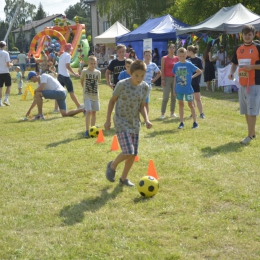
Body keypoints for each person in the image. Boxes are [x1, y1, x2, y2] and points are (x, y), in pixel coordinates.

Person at [104, 60, 152, 187]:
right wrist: (108, 119)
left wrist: (146, 119)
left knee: (133, 154)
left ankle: (123, 178)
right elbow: (112, 101)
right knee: (128, 150)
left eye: (142, 76)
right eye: (137, 75)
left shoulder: (145, 87)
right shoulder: (122, 84)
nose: (139, 78)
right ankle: (113, 165)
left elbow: (142, 106)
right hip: (121, 121)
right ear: (131, 73)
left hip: (135, 123)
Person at [228, 24, 260, 144]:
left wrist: (252, 67)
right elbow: (234, 64)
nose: (247, 37)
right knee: (246, 110)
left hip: (254, 83)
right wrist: (232, 73)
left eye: (249, 34)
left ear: (253, 35)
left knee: (252, 111)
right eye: (245, 35)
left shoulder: (258, 47)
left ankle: (249, 137)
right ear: (242, 35)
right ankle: (252, 133)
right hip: (242, 84)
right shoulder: (238, 48)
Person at [173, 47, 202, 129]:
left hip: (188, 89)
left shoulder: (189, 64)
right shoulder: (176, 65)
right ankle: (181, 122)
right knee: (181, 104)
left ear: (186, 55)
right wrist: (174, 89)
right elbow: (175, 77)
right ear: (178, 56)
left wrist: (191, 77)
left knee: (191, 105)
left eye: (183, 56)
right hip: (179, 89)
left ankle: (195, 122)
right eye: (180, 56)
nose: (182, 58)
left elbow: (199, 71)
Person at [80, 56, 101, 138]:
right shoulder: (84, 71)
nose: (93, 65)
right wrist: (85, 89)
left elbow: (97, 82)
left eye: (94, 63)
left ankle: (93, 129)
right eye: (91, 63)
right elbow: (82, 80)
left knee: (94, 113)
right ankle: (87, 130)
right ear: (88, 63)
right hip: (87, 95)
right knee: (88, 111)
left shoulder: (98, 73)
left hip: (95, 96)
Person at [58, 43, 83, 109]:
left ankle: (56, 108)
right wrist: (74, 74)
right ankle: (78, 106)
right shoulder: (68, 55)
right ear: (69, 49)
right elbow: (67, 66)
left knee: (58, 92)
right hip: (65, 76)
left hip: (60, 76)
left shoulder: (61, 55)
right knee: (71, 92)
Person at [160, 43, 179, 119]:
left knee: (174, 96)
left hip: (175, 79)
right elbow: (162, 69)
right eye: (170, 47)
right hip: (167, 79)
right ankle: (162, 114)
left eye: (173, 47)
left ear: (175, 49)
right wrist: (162, 79)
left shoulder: (177, 58)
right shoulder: (164, 58)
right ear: (168, 49)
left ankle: (172, 113)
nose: (172, 49)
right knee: (165, 97)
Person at [187, 45, 205, 118]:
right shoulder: (188, 60)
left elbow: (201, 70)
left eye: (187, 51)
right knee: (191, 99)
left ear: (191, 51)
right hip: (189, 82)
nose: (187, 52)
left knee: (198, 98)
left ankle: (201, 113)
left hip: (196, 82)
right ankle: (193, 113)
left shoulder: (198, 60)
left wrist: (193, 76)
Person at [143, 50, 161, 115]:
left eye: (149, 55)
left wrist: (154, 80)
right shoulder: (141, 64)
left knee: (146, 102)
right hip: (140, 85)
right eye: (146, 55)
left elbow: (159, 73)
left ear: (151, 56)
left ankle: (146, 118)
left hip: (148, 85)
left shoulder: (153, 65)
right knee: (140, 102)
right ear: (144, 56)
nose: (148, 57)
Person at [0, 41, 13, 106]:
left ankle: (0, 102)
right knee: (8, 85)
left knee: (0, 87)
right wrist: (11, 64)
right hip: (5, 71)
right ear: (4, 46)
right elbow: (8, 64)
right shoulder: (6, 53)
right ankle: (6, 99)